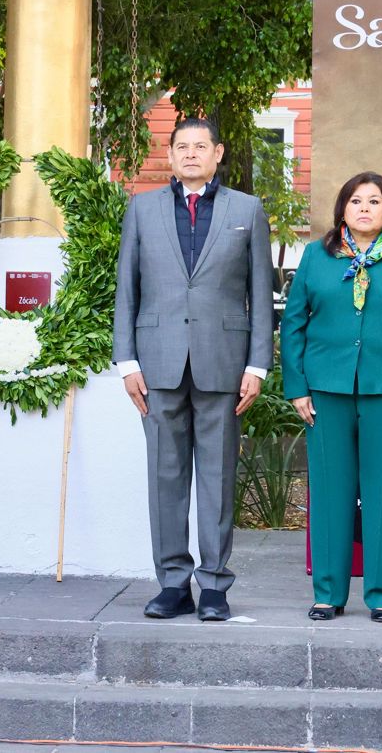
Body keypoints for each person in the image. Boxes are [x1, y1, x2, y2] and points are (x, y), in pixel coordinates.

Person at [113, 117, 273, 622]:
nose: (190, 154)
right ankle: (173, 584)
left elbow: (260, 295)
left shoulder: (246, 209)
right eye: (181, 146)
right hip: (157, 363)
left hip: (223, 362)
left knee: (217, 477)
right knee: (165, 477)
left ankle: (215, 586)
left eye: (200, 146)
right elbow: (127, 288)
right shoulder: (143, 208)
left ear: (218, 153)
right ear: (170, 153)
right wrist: (126, 361)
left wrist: (258, 365)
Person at [282, 172, 382, 623]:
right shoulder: (317, 256)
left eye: (375, 201)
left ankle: (380, 593)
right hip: (326, 391)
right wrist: (296, 386)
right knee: (330, 493)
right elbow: (293, 323)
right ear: (343, 211)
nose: (365, 208)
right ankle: (328, 593)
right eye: (356, 201)